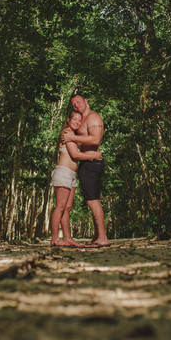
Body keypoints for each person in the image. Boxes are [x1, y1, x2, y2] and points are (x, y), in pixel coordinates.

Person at [61, 93, 109, 246]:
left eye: (78, 102)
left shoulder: (93, 118)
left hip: (92, 163)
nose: (76, 106)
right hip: (86, 163)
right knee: (91, 198)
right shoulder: (82, 120)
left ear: (85, 101)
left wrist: (73, 138)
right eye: (74, 104)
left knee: (93, 200)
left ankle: (103, 237)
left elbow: (95, 139)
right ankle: (97, 236)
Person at [50, 110, 102, 246]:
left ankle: (67, 238)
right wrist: (94, 156)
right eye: (74, 119)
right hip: (63, 172)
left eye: (79, 120)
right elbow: (75, 155)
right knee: (60, 207)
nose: (77, 122)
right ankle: (54, 239)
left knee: (67, 208)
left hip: (71, 174)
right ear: (68, 119)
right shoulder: (67, 133)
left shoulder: (73, 135)